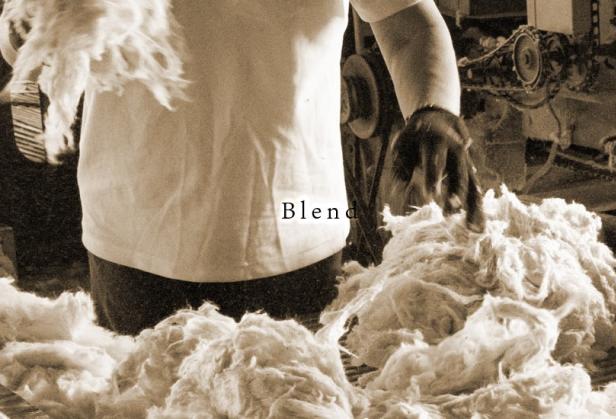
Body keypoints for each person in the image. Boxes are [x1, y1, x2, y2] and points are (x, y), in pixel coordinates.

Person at [0, 0, 483, 335]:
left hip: (295, 230)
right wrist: (35, 26)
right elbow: (21, 34)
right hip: (134, 232)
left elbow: (409, 26)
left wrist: (434, 111)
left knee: (290, 398)